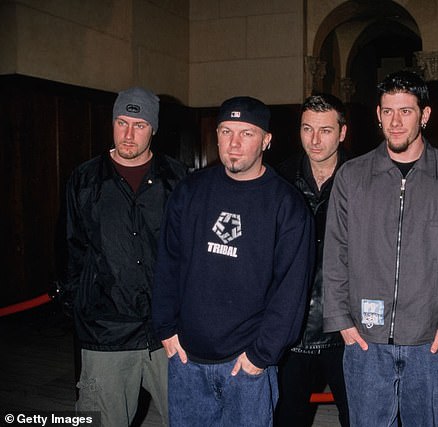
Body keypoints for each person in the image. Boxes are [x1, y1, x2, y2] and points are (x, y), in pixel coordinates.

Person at [322, 70, 438, 426]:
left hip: (431, 343)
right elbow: (335, 251)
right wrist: (341, 320)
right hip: (365, 342)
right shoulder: (352, 176)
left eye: (405, 111)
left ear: (425, 115)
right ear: (378, 115)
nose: (395, 122)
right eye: (388, 111)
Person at [151, 96, 314, 427]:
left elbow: (291, 291)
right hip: (186, 360)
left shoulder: (287, 205)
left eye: (246, 133)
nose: (234, 143)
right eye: (226, 131)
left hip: (247, 366)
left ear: (266, 140)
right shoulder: (190, 191)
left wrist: (261, 356)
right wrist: (165, 328)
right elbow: (167, 263)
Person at [62, 87, 188, 426]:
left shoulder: (177, 179)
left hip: (169, 331)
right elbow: (71, 250)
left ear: (154, 129)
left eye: (139, 125)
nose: (129, 134)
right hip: (106, 332)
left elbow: (190, 253)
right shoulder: (85, 179)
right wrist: (83, 307)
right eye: (122, 122)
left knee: (191, 417)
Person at [275, 94, 350, 427]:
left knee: (359, 417)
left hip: (347, 330)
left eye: (325, 130)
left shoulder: (363, 179)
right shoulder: (278, 178)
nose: (315, 140)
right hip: (291, 327)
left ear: (342, 133)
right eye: (307, 129)